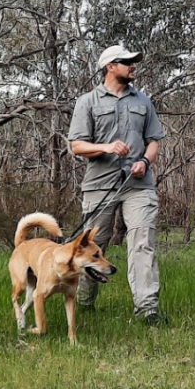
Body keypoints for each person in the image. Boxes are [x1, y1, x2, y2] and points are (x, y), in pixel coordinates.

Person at [67, 44, 166, 324]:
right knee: (91, 246)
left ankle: (148, 311)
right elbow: (77, 145)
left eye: (133, 62)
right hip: (99, 186)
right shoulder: (87, 102)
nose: (133, 65)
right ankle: (84, 304)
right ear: (110, 66)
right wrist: (107, 147)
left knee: (142, 242)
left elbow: (154, 142)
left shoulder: (143, 102)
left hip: (138, 185)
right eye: (127, 62)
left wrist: (144, 162)